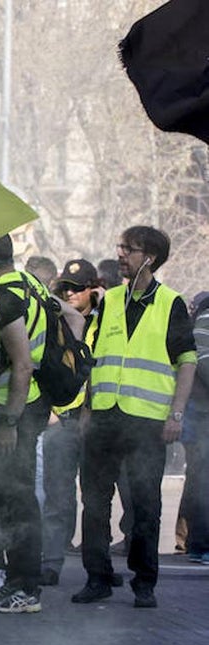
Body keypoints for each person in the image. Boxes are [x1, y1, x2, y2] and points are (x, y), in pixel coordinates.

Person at [73, 226, 196, 608]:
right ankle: (98, 577)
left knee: (145, 505)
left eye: (130, 249)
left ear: (151, 258)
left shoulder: (171, 303)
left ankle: (145, 582)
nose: (121, 253)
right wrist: (87, 409)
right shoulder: (109, 302)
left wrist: (175, 414)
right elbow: (95, 359)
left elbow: (187, 362)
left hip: (147, 420)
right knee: (94, 502)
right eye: (121, 247)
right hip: (105, 417)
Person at [0, 235, 52, 614]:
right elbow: (68, 316)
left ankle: (25, 589)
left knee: (17, 500)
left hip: (12, 411)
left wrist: (10, 422)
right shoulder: (32, 284)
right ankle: (9, 581)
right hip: (26, 406)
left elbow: (22, 364)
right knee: (4, 496)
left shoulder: (6, 297)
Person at [40, 259, 101, 585]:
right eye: (65, 287)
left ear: (93, 288)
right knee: (57, 497)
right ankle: (51, 562)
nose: (71, 293)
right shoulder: (57, 322)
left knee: (95, 499)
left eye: (78, 288)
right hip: (62, 419)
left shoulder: (108, 319)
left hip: (97, 421)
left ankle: (98, 570)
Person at [179, 291, 209, 564]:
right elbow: (204, 363)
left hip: (198, 413)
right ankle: (200, 543)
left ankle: (196, 542)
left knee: (200, 479)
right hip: (200, 415)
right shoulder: (206, 317)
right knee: (202, 480)